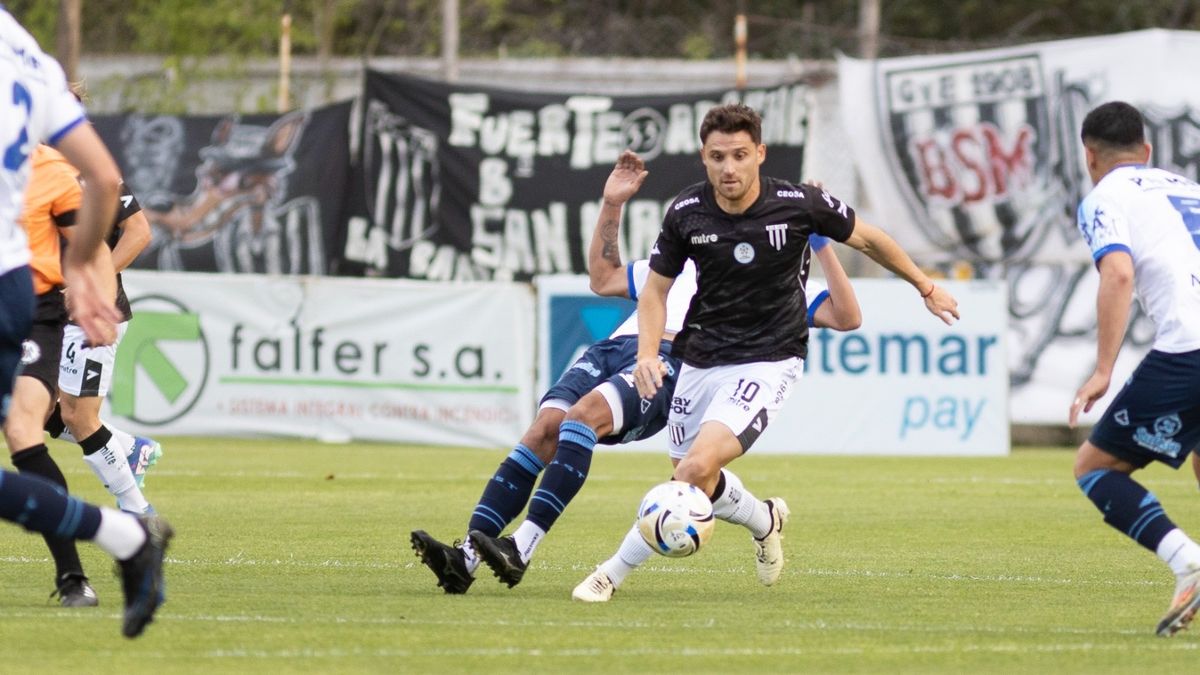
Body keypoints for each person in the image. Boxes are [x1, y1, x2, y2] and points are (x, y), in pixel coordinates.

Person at [411, 150, 862, 594]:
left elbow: (846, 316)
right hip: (616, 348)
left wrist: (822, 242)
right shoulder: (681, 257)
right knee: (544, 428)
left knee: (584, 417)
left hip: (675, 363)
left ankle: (522, 547)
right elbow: (603, 277)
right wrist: (613, 203)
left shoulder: (780, 289)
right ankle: (466, 558)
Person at [572, 103, 959, 602]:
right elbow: (654, 292)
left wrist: (925, 286)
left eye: (738, 155)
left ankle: (609, 574)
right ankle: (766, 519)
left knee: (690, 474)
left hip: (769, 358)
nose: (728, 168)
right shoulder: (687, 213)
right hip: (700, 359)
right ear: (703, 158)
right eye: (717, 157)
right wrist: (648, 352)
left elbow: (869, 240)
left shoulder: (799, 204)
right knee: (697, 477)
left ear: (759, 153)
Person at [0, 8, 171, 638]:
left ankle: (120, 525)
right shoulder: (26, 56)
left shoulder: (56, 167)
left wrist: (90, 283)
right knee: (44, 423)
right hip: (36, 295)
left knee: (62, 420)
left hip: (43, 301)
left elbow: (121, 213)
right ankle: (124, 523)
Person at [1067, 101, 1200, 638]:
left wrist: (1103, 369)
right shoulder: (1189, 187)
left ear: (1089, 155)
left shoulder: (1103, 198)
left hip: (1189, 349)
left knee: (1095, 469)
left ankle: (1188, 561)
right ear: (1146, 151)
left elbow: (1118, 274)